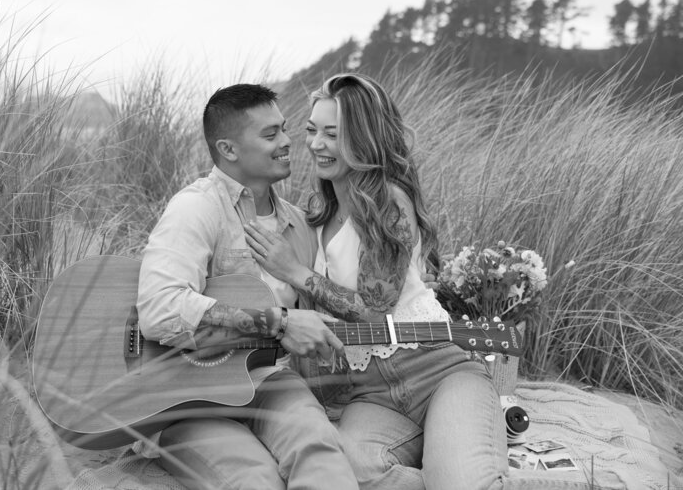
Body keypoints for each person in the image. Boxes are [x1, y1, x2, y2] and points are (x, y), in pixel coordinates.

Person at [243, 73, 511, 490]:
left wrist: (294, 271)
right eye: (312, 130)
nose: (316, 144)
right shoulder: (316, 213)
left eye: (333, 134)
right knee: (353, 475)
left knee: (462, 482)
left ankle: (453, 464)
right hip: (369, 393)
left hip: (437, 370)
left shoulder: (388, 201)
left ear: (363, 138)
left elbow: (373, 311)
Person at [136, 84, 359, 490]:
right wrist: (279, 322)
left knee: (319, 448)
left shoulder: (299, 224)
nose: (288, 141)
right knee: (253, 478)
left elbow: (337, 302)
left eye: (285, 129)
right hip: (187, 397)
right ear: (228, 149)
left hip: (270, 380)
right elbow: (159, 309)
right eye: (270, 134)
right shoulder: (197, 207)